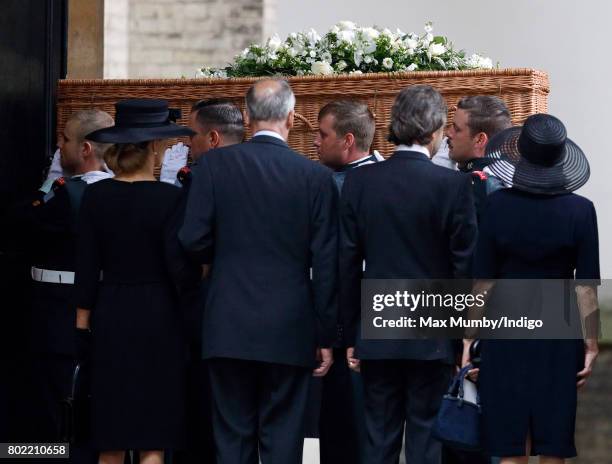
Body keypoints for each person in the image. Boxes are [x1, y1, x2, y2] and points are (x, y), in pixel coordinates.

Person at [179, 78, 338, 464]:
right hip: (291, 324)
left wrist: (228, 254)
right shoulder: (315, 177)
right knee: (284, 437)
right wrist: (326, 333)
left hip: (227, 321)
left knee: (231, 436)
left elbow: (191, 239)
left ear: (247, 115)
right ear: (290, 116)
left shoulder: (213, 165)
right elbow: (327, 261)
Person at [340, 84, 478, 464]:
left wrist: (353, 330)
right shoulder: (453, 185)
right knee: (425, 441)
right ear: (434, 130)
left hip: (379, 323)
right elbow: (463, 268)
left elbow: (347, 263)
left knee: (378, 437)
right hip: (433, 330)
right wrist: (460, 336)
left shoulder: (360, 182)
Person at [462, 114, 600, 464]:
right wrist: (591, 344)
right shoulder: (582, 211)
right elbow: (585, 286)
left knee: (509, 444)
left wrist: (467, 340)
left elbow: (484, 279)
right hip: (558, 331)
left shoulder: (497, 206)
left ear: (520, 156)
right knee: (553, 444)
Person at [75, 99, 198, 464]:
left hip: (111, 314)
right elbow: (181, 268)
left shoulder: (96, 196)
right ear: (154, 148)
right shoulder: (171, 198)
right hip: (162, 318)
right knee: (153, 441)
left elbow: (86, 266)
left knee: (110, 439)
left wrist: (81, 327)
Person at [8, 109, 114, 462]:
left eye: (65, 140)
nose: (59, 146)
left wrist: (46, 187)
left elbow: (21, 222)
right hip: (107, 315)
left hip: (57, 316)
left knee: (51, 414)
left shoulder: (66, 194)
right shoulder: (122, 191)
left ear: (84, 148)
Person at [174, 98, 244, 464]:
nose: (188, 143)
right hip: (268, 319)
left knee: (207, 412)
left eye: (192, 135)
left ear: (213, 138)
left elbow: (188, 240)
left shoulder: (203, 175)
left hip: (210, 310)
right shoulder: (270, 171)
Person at [313, 99, 377, 464]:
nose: (316, 143)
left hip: (356, 325)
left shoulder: (359, 184)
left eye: (322, 135)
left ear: (347, 140)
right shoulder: (324, 177)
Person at [447, 96, 512, 222]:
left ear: (480, 140)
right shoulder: (517, 174)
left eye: (456, 129)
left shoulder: (475, 185)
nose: (448, 133)